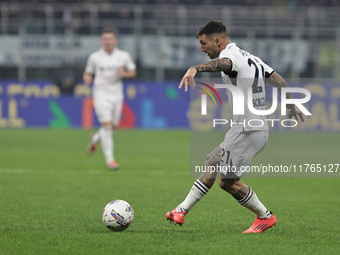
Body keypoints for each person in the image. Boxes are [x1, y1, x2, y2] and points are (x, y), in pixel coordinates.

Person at [166, 21, 304, 233]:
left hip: (248, 128)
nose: (202, 49)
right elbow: (279, 81)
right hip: (251, 127)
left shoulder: (233, 57)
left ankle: (264, 217)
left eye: (204, 44)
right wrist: (291, 105)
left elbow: (225, 64)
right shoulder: (251, 57)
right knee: (217, 168)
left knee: (226, 180)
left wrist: (195, 68)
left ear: (217, 41)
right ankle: (181, 210)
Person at [83, 28, 136, 170]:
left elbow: (133, 72)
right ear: (101, 41)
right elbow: (88, 73)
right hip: (100, 94)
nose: (108, 41)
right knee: (107, 126)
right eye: (105, 39)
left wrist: (124, 73)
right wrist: (87, 78)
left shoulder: (123, 56)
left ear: (115, 40)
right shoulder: (95, 57)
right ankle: (110, 161)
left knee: (112, 127)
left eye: (110, 38)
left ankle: (95, 138)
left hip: (117, 95)